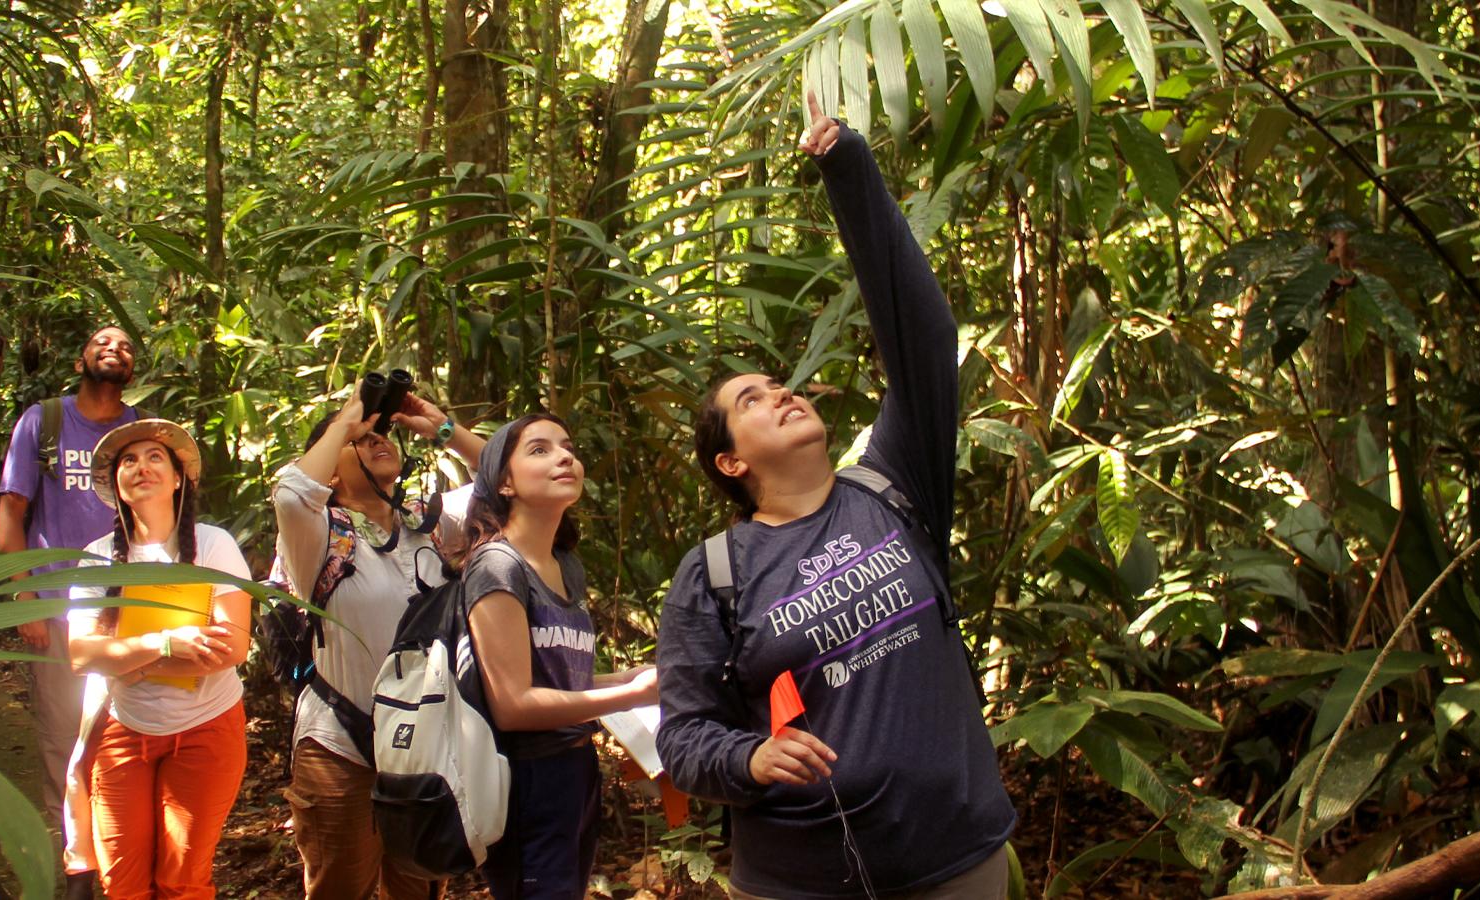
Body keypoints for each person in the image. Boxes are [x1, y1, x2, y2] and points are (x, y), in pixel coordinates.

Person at [653, 101, 1016, 900]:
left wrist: (847, 170)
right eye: (752, 399)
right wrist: (748, 758)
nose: (779, 393)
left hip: (959, 860)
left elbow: (922, 339)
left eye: (778, 383)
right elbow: (682, 738)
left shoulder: (894, 482)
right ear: (729, 460)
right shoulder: (714, 573)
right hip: (801, 880)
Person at [272, 386, 486, 900]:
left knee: (416, 890)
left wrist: (441, 427)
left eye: (382, 433)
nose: (377, 441)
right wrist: (345, 420)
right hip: (339, 744)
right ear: (329, 469)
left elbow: (512, 479)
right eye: (361, 440)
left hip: (425, 747)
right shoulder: (317, 535)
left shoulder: (428, 524)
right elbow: (290, 492)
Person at [457, 414, 661, 900]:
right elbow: (513, 703)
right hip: (527, 779)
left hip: (576, 769)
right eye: (540, 450)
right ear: (504, 483)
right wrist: (629, 695)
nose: (565, 456)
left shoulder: (565, 563)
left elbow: (558, 675)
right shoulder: (497, 566)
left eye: (568, 446)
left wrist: (621, 679)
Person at [61, 419, 253, 900]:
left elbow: (230, 648)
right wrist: (166, 645)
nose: (141, 467)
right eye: (129, 459)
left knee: (182, 881)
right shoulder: (98, 557)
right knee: (121, 883)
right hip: (123, 730)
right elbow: (82, 654)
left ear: (177, 478)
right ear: (116, 484)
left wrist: (125, 660)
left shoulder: (213, 545)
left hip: (207, 729)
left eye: (154, 457)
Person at [0, 324, 148, 872]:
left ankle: (122, 853)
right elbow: (12, 513)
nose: (115, 349)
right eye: (103, 343)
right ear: (81, 360)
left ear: (133, 369)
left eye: (127, 346)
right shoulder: (46, 422)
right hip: (58, 607)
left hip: (128, 609)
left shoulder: (140, 432)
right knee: (64, 739)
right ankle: (76, 863)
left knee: (129, 732)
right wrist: (25, 598)